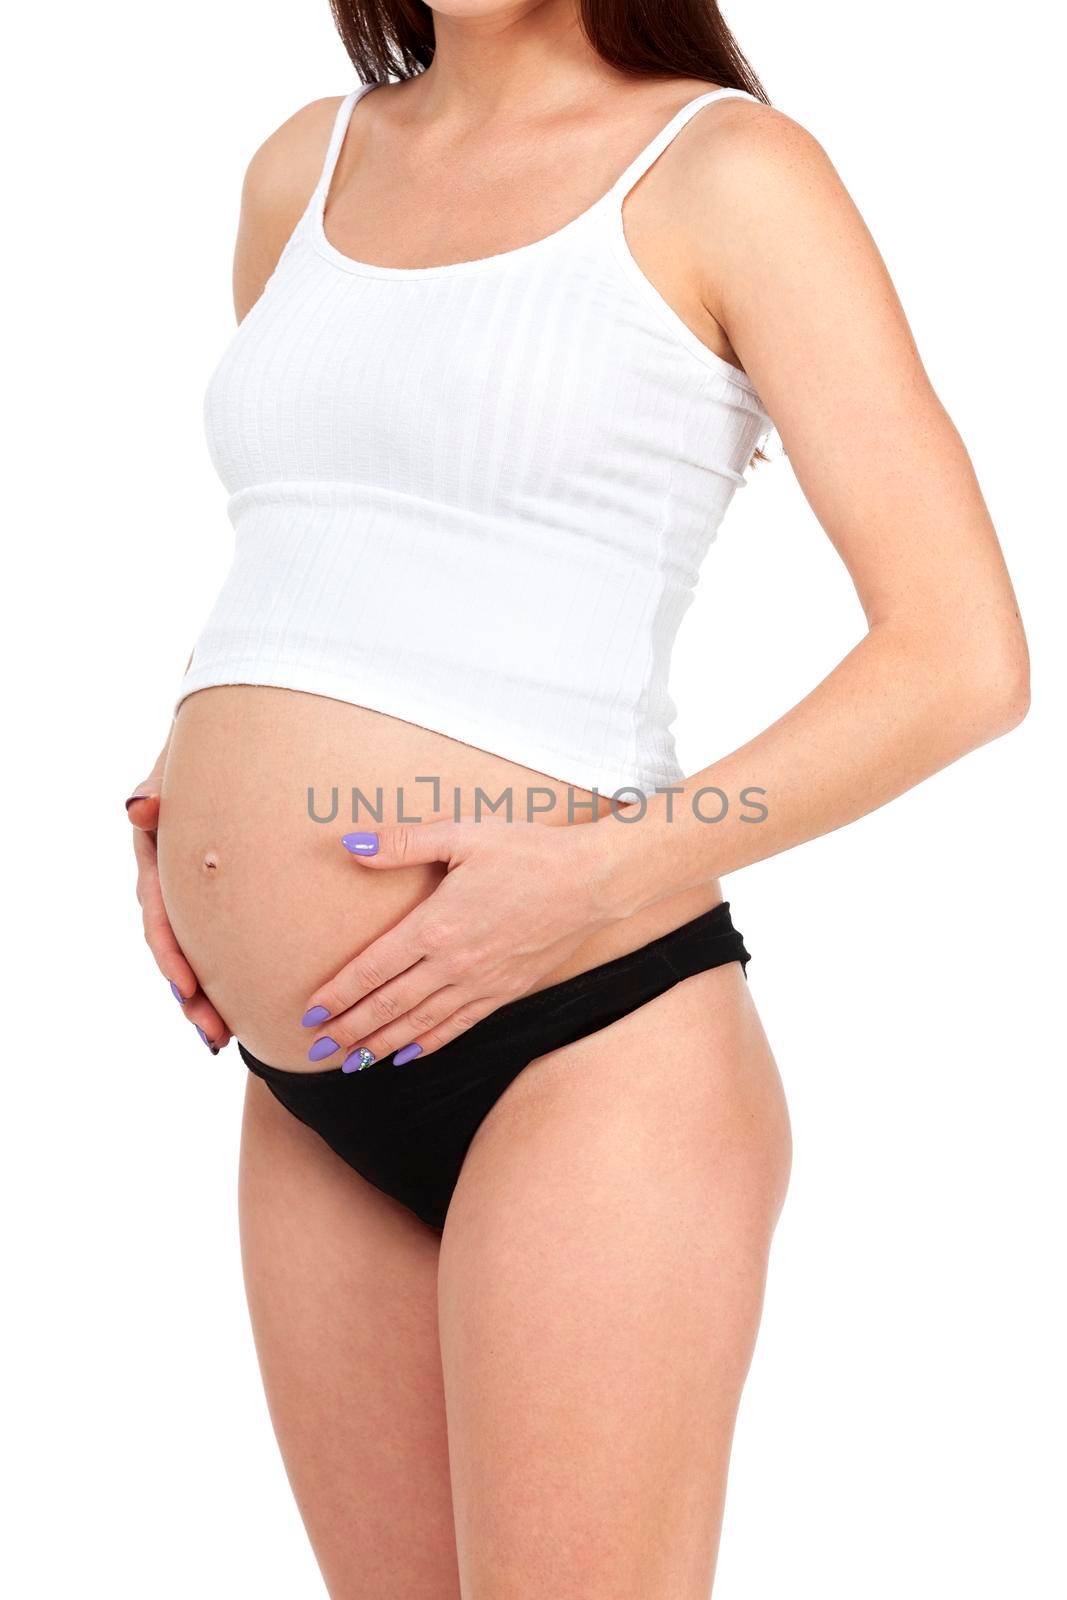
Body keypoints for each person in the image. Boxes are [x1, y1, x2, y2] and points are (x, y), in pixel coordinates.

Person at [127, 1, 1029, 1593]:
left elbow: (963, 657)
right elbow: (331, 539)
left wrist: (598, 874)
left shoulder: (727, 172)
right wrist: (184, 796)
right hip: (313, 1075)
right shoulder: (300, 165)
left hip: (587, 1041)